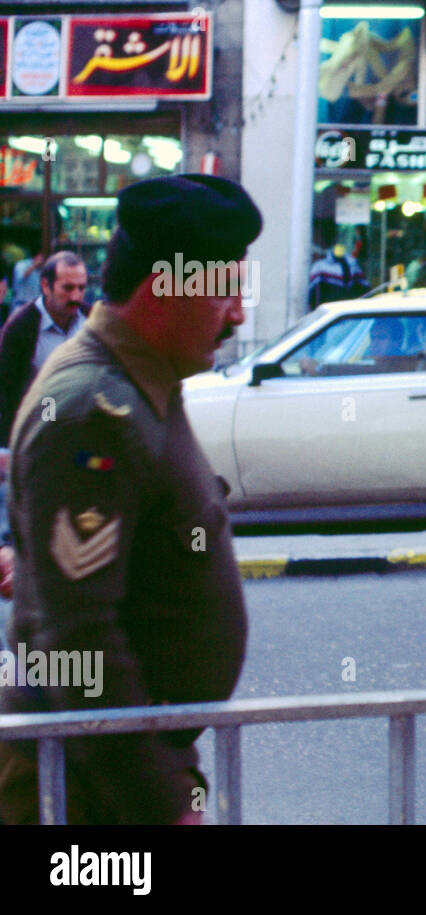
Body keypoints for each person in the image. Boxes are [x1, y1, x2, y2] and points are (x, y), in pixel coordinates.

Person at [0, 174, 261, 825]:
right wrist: (162, 802)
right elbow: (76, 640)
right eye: (225, 290)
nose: (237, 314)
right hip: (85, 789)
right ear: (164, 287)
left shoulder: (145, 383)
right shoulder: (94, 411)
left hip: (114, 771)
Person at [0, 252, 90, 444]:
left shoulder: (90, 319)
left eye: (81, 288)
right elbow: (7, 392)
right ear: (45, 286)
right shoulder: (21, 327)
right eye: (67, 288)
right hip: (38, 435)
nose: (75, 296)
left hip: (83, 433)